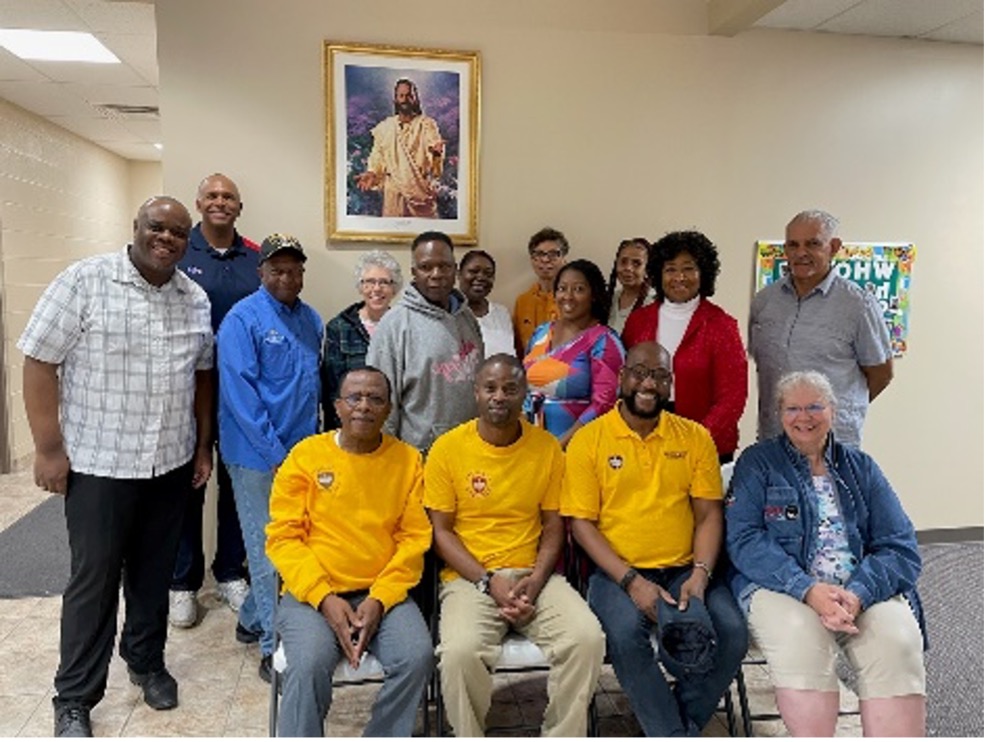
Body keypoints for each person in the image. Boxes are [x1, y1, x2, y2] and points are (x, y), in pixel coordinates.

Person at [18, 197, 214, 737]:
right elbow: (39, 361)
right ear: (137, 228)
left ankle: (147, 662)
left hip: (169, 463)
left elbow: (202, 376)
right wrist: (48, 448)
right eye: (157, 227)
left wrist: (201, 446)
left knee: (153, 575)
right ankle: (75, 697)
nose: (167, 238)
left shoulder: (193, 299)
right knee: (94, 581)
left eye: (178, 232)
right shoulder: (84, 282)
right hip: (100, 465)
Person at [725, 370, 925, 737]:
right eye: (793, 408)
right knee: (802, 638)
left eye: (815, 406)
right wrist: (807, 589)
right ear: (779, 414)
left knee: (897, 641)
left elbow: (900, 546)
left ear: (833, 410)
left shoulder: (861, 467)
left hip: (856, 589)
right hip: (782, 586)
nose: (804, 417)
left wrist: (860, 594)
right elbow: (744, 540)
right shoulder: (758, 462)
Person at [563, 342, 748, 737]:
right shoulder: (589, 441)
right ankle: (673, 732)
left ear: (670, 385)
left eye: (661, 376)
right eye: (640, 372)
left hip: (686, 567)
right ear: (622, 377)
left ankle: (673, 722)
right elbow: (581, 525)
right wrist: (632, 582)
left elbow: (709, 514)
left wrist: (700, 575)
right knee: (626, 638)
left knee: (731, 631)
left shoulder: (695, 437)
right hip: (615, 573)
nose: (649, 383)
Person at [425, 354, 605, 736]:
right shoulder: (446, 449)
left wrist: (537, 580)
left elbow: (554, 526)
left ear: (525, 393)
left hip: (533, 576)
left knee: (587, 638)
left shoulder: (547, 449)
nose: (499, 396)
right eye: (490, 388)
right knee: (459, 654)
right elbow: (441, 532)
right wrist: (489, 582)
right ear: (475, 392)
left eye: (510, 388)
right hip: (469, 578)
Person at [266, 367, 433, 736]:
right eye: (354, 398)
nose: (364, 407)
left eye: (375, 399)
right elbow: (283, 538)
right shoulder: (305, 456)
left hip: (382, 592)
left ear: (389, 409)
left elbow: (413, 540)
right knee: (308, 663)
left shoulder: (408, 461)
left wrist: (380, 599)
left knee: (417, 656)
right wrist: (324, 597)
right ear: (337, 406)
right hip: (312, 594)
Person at [217, 234, 323, 684]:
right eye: (276, 269)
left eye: (294, 270)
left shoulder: (310, 319)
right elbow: (241, 397)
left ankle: (250, 618)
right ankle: (271, 646)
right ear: (261, 273)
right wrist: (276, 454)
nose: (286, 277)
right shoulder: (242, 319)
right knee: (268, 551)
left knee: (296, 543)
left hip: (300, 454)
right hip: (258, 457)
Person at [169, 172, 259, 631]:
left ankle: (229, 572)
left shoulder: (257, 258)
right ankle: (183, 583)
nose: (220, 202)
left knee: (236, 485)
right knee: (190, 486)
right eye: (212, 195)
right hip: (189, 393)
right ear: (199, 203)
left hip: (241, 395)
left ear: (239, 207)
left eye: (229, 196)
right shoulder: (181, 253)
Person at [749, 209, 893, 447]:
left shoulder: (859, 306)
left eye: (813, 244)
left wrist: (840, 410)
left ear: (834, 247)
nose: (801, 253)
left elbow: (881, 373)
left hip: (831, 445)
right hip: (773, 441)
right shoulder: (764, 301)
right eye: (793, 245)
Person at [622, 230, 747, 462]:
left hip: (705, 443)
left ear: (703, 273)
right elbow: (625, 381)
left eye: (688, 268)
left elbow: (733, 397)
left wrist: (695, 440)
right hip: (644, 438)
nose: (679, 277)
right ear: (658, 274)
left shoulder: (721, 325)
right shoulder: (638, 321)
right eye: (670, 269)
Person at [365, 230, 483, 454]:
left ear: (455, 269)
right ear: (414, 272)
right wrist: (387, 457)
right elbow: (381, 400)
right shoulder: (395, 324)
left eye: (444, 266)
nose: (436, 274)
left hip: (470, 448)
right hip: (419, 453)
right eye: (426, 267)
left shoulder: (468, 319)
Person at [522, 259, 625, 449]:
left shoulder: (604, 340)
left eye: (578, 289)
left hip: (579, 447)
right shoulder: (541, 332)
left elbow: (604, 405)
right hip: (532, 443)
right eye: (562, 289)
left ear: (593, 295)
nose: (567, 296)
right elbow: (525, 388)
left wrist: (562, 444)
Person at [320, 250, 403, 430]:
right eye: (370, 282)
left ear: (394, 288)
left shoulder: (403, 327)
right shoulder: (339, 327)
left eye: (384, 282)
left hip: (394, 424)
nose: (377, 288)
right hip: (352, 424)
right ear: (360, 286)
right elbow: (332, 389)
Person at [356, 78, 445, 218]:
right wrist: (372, 173)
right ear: (395, 99)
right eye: (401, 96)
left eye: (409, 95)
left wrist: (436, 154)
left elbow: (436, 164)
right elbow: (377, 157)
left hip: (420, 193)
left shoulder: (427, 124)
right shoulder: (385, 128)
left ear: (415, 99)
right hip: (393, 194)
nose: (405, 100)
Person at [512, 227, 569, 355]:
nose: (545, 260)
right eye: (539, 254)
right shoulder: (523, 302)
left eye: (553, 254)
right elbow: (518, 348)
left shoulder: (571, 300)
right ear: (532, 259)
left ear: (564, 258)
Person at [458, 249, 515, 357]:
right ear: (459, 274)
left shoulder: (501, 313)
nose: (481, 277)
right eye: (474, 271)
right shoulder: (449, 314)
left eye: (488, 273)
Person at [606, 237, 655, 335]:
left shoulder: (653, 303)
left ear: (647, 270)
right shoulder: (611, 298)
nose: (628, 268)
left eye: (636, 263)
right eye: (623, 262)